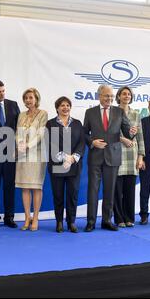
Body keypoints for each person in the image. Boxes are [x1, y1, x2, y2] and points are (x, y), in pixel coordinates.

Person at [83, 85, 137, 232]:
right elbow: (84, 133)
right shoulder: (90, 112)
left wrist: (131, 132)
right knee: (93, 191)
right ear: (99, 96)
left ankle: (107, 220)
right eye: (107, 96)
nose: (110, 99)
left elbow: (127, 131)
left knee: (110, 191)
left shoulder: (119, 112)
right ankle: (91, 221)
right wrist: (92, 142)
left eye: (112, 97)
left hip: (113, 156)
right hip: (95, 157)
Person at [46, 96, 84, 233]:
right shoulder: (50, 124)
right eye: (62, 105)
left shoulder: (78, 123)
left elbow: (81, 142)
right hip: (57, 165)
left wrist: (73, 158)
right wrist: (65, 157)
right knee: (58, 195)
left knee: (72, 194)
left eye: (67, 105)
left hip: (74, 165)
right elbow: (51, 144)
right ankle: (59, 222)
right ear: (57, 108)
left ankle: (71, 222)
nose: (65, 107)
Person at [0, 80, 20, 229]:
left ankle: (9, 217)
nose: (2, 94)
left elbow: (20, 127)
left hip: (11, 154)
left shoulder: (13, 105)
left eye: (3, 91)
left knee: (9, 187)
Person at [15, 88, 48, 231]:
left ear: (36, 99)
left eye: (31, 97)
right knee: (25, 187)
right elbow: (18, 132)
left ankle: (35, 218)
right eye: (26, 98)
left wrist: (29, 145)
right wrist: (20, 144)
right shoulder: (21, 115)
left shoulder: (43, 114)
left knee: (36, 186)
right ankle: (27, 217)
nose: (28, 100)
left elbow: (40, 134)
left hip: (37, 154)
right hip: (22, 154)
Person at [113, 86, 145, 228]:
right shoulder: (112, 113)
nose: (126, 96)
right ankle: (119, 218)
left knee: (129, 190)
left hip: (132, 155)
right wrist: (121, 139)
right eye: (124, 94)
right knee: (117, 190)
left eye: (129, 94)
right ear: (118, 96)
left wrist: (141, 157)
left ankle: (129, 218)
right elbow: (109, 133)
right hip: (117, 153)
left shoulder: (136, 114)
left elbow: (140, 137)